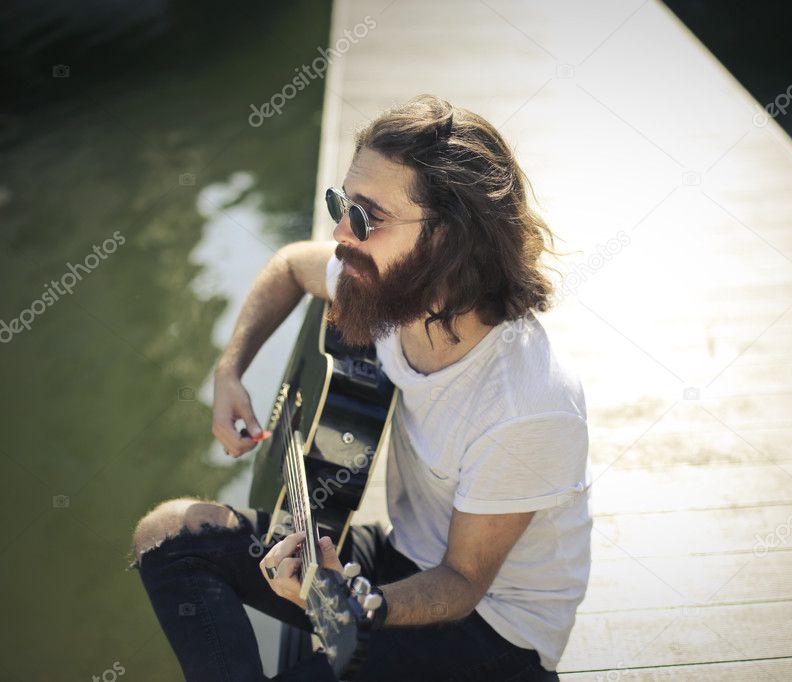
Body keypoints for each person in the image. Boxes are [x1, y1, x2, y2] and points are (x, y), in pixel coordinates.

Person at [128, 94, 592, 681]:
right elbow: (293, 265)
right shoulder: (386, 285)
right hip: (403, 561)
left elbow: (463, 582)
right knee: (167, 536)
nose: (342, 232)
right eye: (341, 204)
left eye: (367, 217)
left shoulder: (528, 406)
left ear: (447, 241)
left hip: (492, 636)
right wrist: (229, 369)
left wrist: (349, 603)